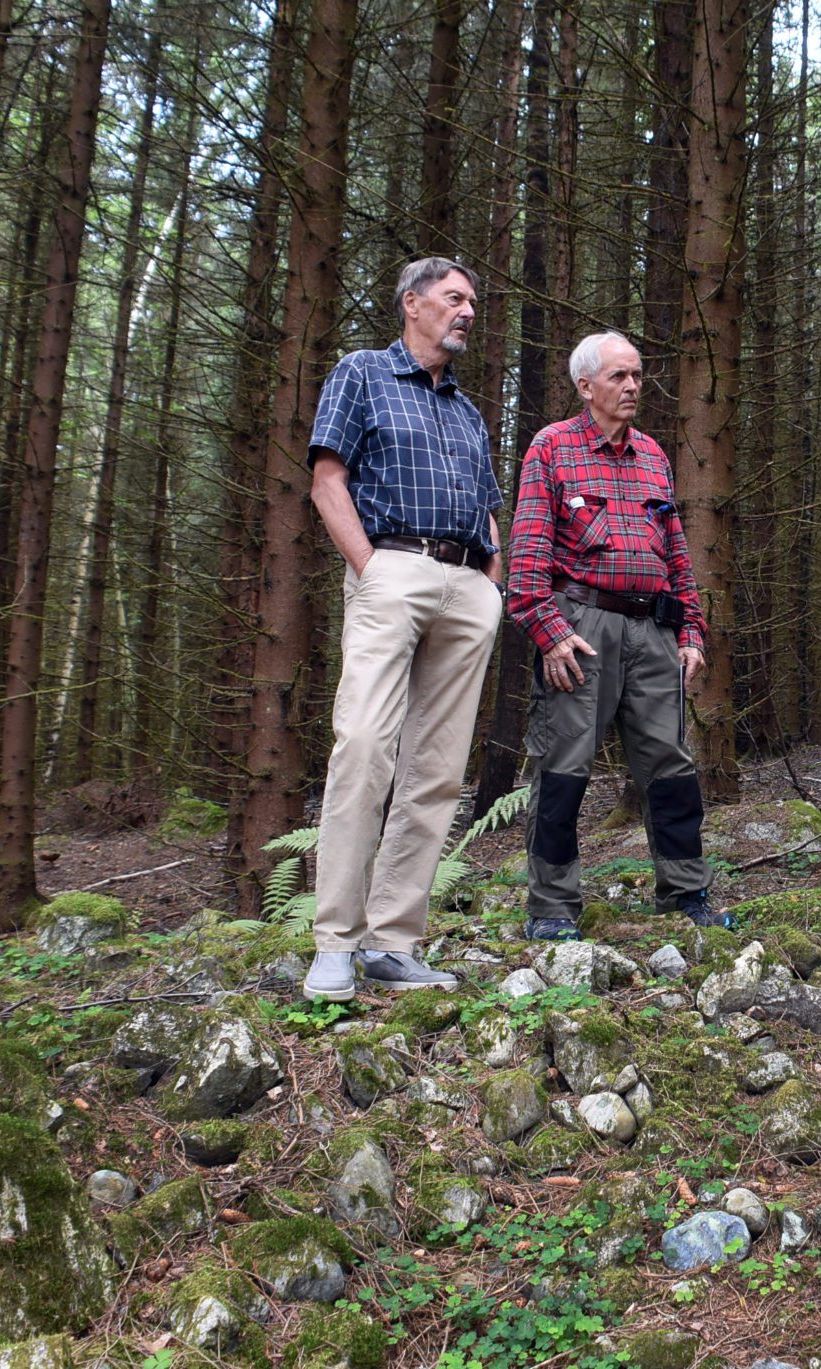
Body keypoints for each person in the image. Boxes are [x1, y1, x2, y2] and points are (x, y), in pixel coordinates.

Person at [299, 257, 505, 1001]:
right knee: (363, 745)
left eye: (473, 300)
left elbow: (487, 506)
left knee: (438, 769)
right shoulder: (361, 373)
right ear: (412, 305)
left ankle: (393, 941)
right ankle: (335, 943)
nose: (468, 311)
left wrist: (491, 586)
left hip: (467, 585)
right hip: (391, 567)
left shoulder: (469, 412)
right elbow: (328, 479)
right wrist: (369, 567)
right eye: (455, 297)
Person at [505, 331, 721, 941]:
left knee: (671, 767)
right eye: (619, 376)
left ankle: (685, 895)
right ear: (586, 386)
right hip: (581, 629)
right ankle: (552, 909)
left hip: (654, 631)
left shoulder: (653, 454)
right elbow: (525, 561)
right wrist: (550, 634)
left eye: (637, 375)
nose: (632, 386)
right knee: (563, 767)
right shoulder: (551, 449)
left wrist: (691, 632)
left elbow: (677, 552)